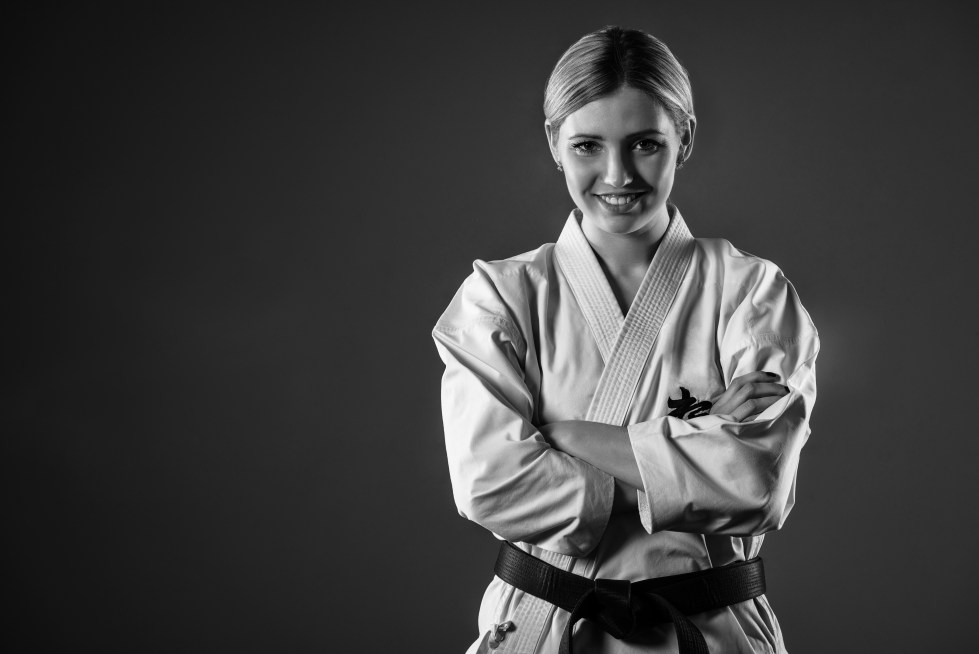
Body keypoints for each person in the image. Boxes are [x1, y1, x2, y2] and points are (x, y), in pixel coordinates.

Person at [433, 26, 818, 654]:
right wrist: (693, 448)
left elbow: (756, 484)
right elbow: (490, 483)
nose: (617, 174)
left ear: (684, 140)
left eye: (645, 144)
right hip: (546, 629)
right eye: (588, 146)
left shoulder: (751, 292)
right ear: (555, 144)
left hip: (710, 631)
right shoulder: (499, 297)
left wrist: (564, 436)